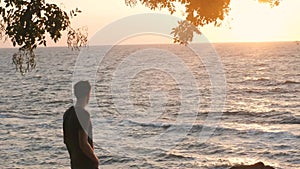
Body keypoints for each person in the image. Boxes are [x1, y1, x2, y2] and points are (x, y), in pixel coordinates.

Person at [63, 81, 99, 169]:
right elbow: (83, 143)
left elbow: (66, 140)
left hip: (75, 162)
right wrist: (95, 160)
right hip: (86, 163)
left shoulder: (67, 113)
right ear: (87, 94)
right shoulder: (83, 115)